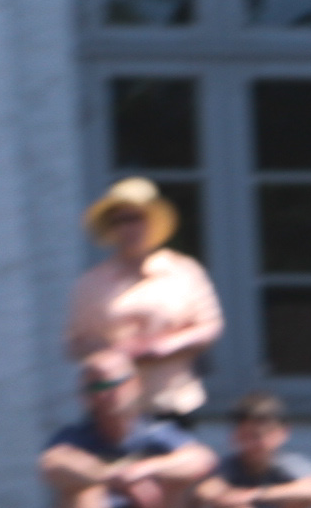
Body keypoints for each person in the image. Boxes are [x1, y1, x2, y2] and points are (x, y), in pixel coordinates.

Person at [38, 355, 213, 508]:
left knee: (178, 481)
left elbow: (202, 459)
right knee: (80, 490)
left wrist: (145, 470)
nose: (106, 394)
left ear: (135, 384)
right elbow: (50, 464)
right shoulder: (74, 437)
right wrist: (108, 476)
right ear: (85, 396)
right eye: (96, 387)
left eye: (114, 384)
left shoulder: (156, 433)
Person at [64, 175, 224, 419]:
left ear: (152, 221)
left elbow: (210, 326)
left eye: (136, 218)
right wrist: (115, 352)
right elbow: (74, 344)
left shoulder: (183, 271)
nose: (128, 228)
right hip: (113, 411)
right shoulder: (91, 283)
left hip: (171, 401)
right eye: (119, 220)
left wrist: (166, 346)